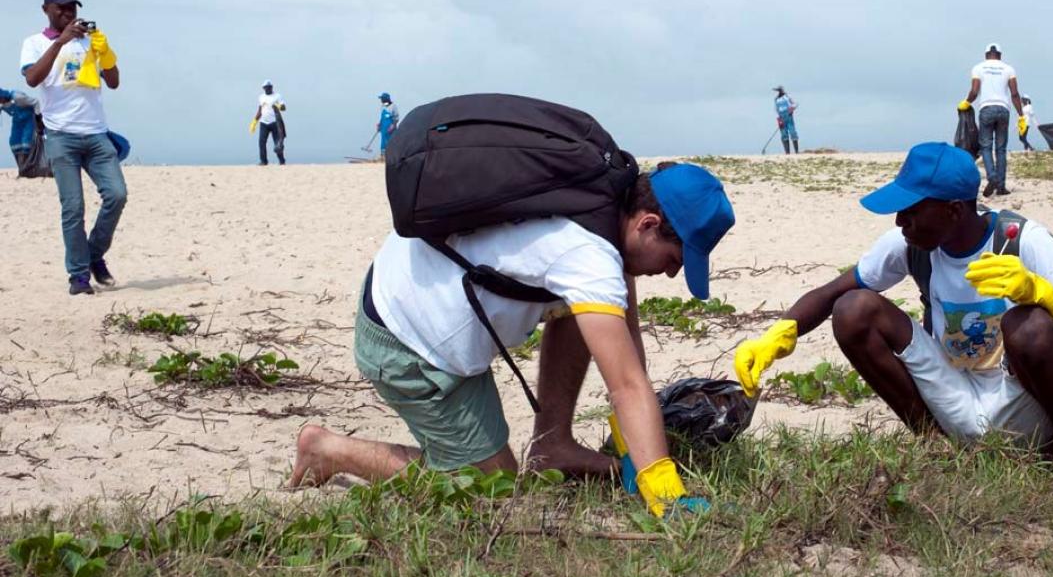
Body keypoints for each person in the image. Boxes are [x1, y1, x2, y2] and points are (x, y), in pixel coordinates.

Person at [290, 161, 736, 518]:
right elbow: (626, 386)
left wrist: (633, 447)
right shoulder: (589, 257)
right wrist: (665, 492)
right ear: (648, 224)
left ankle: (552, 446)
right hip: (407, 337)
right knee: (493, 484)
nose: (672, 274)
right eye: (675, 259)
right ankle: (328, 451)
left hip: (411, 280)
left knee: (597, 308)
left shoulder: (605, 192)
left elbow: (626, 344)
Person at [734, 142, 1053, 460]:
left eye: (912, 211)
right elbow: (831, 293)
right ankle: (937, 446)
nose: (900, 222)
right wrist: (778, 335)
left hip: (1027, 406)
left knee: (1029, 327)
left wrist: (1047, 296)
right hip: (955, 398)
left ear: (954, 210)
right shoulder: (911, 245)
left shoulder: (1022, 241)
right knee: (853, 309)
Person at [20, 0, 127, 295]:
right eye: (61, 8)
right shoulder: (35, 43)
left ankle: (93, 254)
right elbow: (32, 78)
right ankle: (78, 276)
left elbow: (114, 82)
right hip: (60, 135)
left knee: (117, 194)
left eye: (73, 8)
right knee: (73, 207)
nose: (68, 13)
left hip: (96, 133)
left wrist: (105, 53)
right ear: (46, 10)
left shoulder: (88, 41)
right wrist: (60, 42)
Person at [958, 43, 1025, 197]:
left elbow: (974, 91)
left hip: (986, 109)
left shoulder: (978, 68)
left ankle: (992, 177)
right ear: (1000, 55)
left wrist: (966, 102)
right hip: (1003, 110)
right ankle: (1001, 187)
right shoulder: (1008, 69)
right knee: (1001, 149)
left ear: (986, 55)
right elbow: (1015, 94)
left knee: (986, 147)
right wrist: (1021, 115)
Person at [0, 87, 39, 169]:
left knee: (26, 143)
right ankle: (21, 166)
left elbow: (36, 102)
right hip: (17, 122)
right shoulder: (3, 104)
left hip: (29, 120)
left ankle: (28, 167)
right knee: (14, 143)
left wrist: (38, 118)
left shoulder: (18, 97)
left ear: (2, 96)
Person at [250, 81, 286, 165]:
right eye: (266, 87)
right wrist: (254, 122)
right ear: (263, 88)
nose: (268, 88)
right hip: (264, 123)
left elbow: (284, 108)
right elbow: (260, 111)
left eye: (269, 87)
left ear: (272, 87)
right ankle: (263, 161)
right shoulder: (261, 97)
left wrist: (279, 106)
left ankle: (281, 161)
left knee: (278, 143)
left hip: (275, 123)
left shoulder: (277, 96)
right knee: (261, 142)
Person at [773, 86, 799, 154]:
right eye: (778, 91)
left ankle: (796, 151)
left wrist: (792, 108)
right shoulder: (776, 99)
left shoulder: (787, 97)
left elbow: (795, 104)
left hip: (788, 115)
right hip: (781, 116)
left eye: (780, 90)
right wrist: (779, 119)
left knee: (793, 132)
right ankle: (787, 152)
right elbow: (776, 109)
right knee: (784, 134)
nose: (779, 92)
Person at [372, 92, 400, 157]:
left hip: (390, 127)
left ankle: (391, 156)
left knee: (391, 141)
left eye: (382, 99)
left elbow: (396, 118)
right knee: (383, 142)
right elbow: (382, 117)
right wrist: (379, 124)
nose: (381, 100)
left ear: (386, 99)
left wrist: (393, 125)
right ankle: (383, 156)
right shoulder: (383, 106)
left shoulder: (393, 106)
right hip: (383, 127)